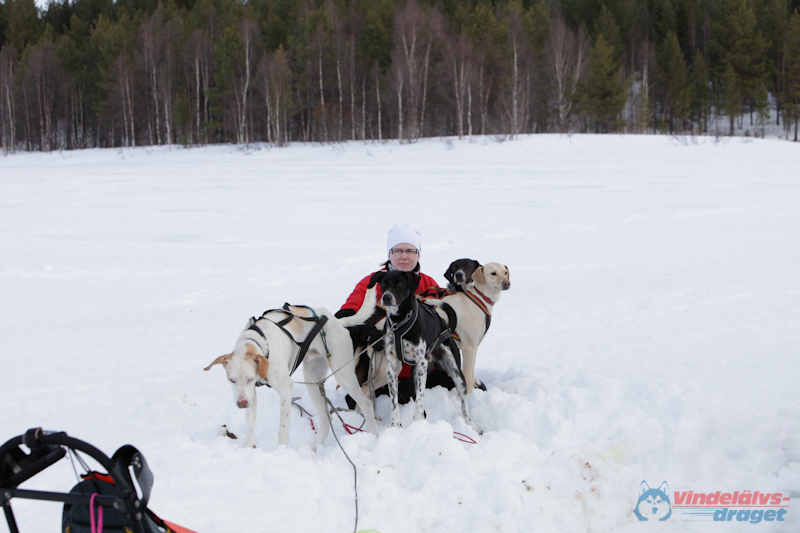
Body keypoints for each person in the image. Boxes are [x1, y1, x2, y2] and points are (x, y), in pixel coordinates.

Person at [335, 223, 456, 404]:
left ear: (418, 255)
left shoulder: (427, 283)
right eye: (398, 250)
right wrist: (365, 332)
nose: (404, 256)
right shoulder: (372, 282)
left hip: (422, 371)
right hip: (381, 372)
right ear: (389, 254)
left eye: (410, 251)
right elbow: (344, 318)